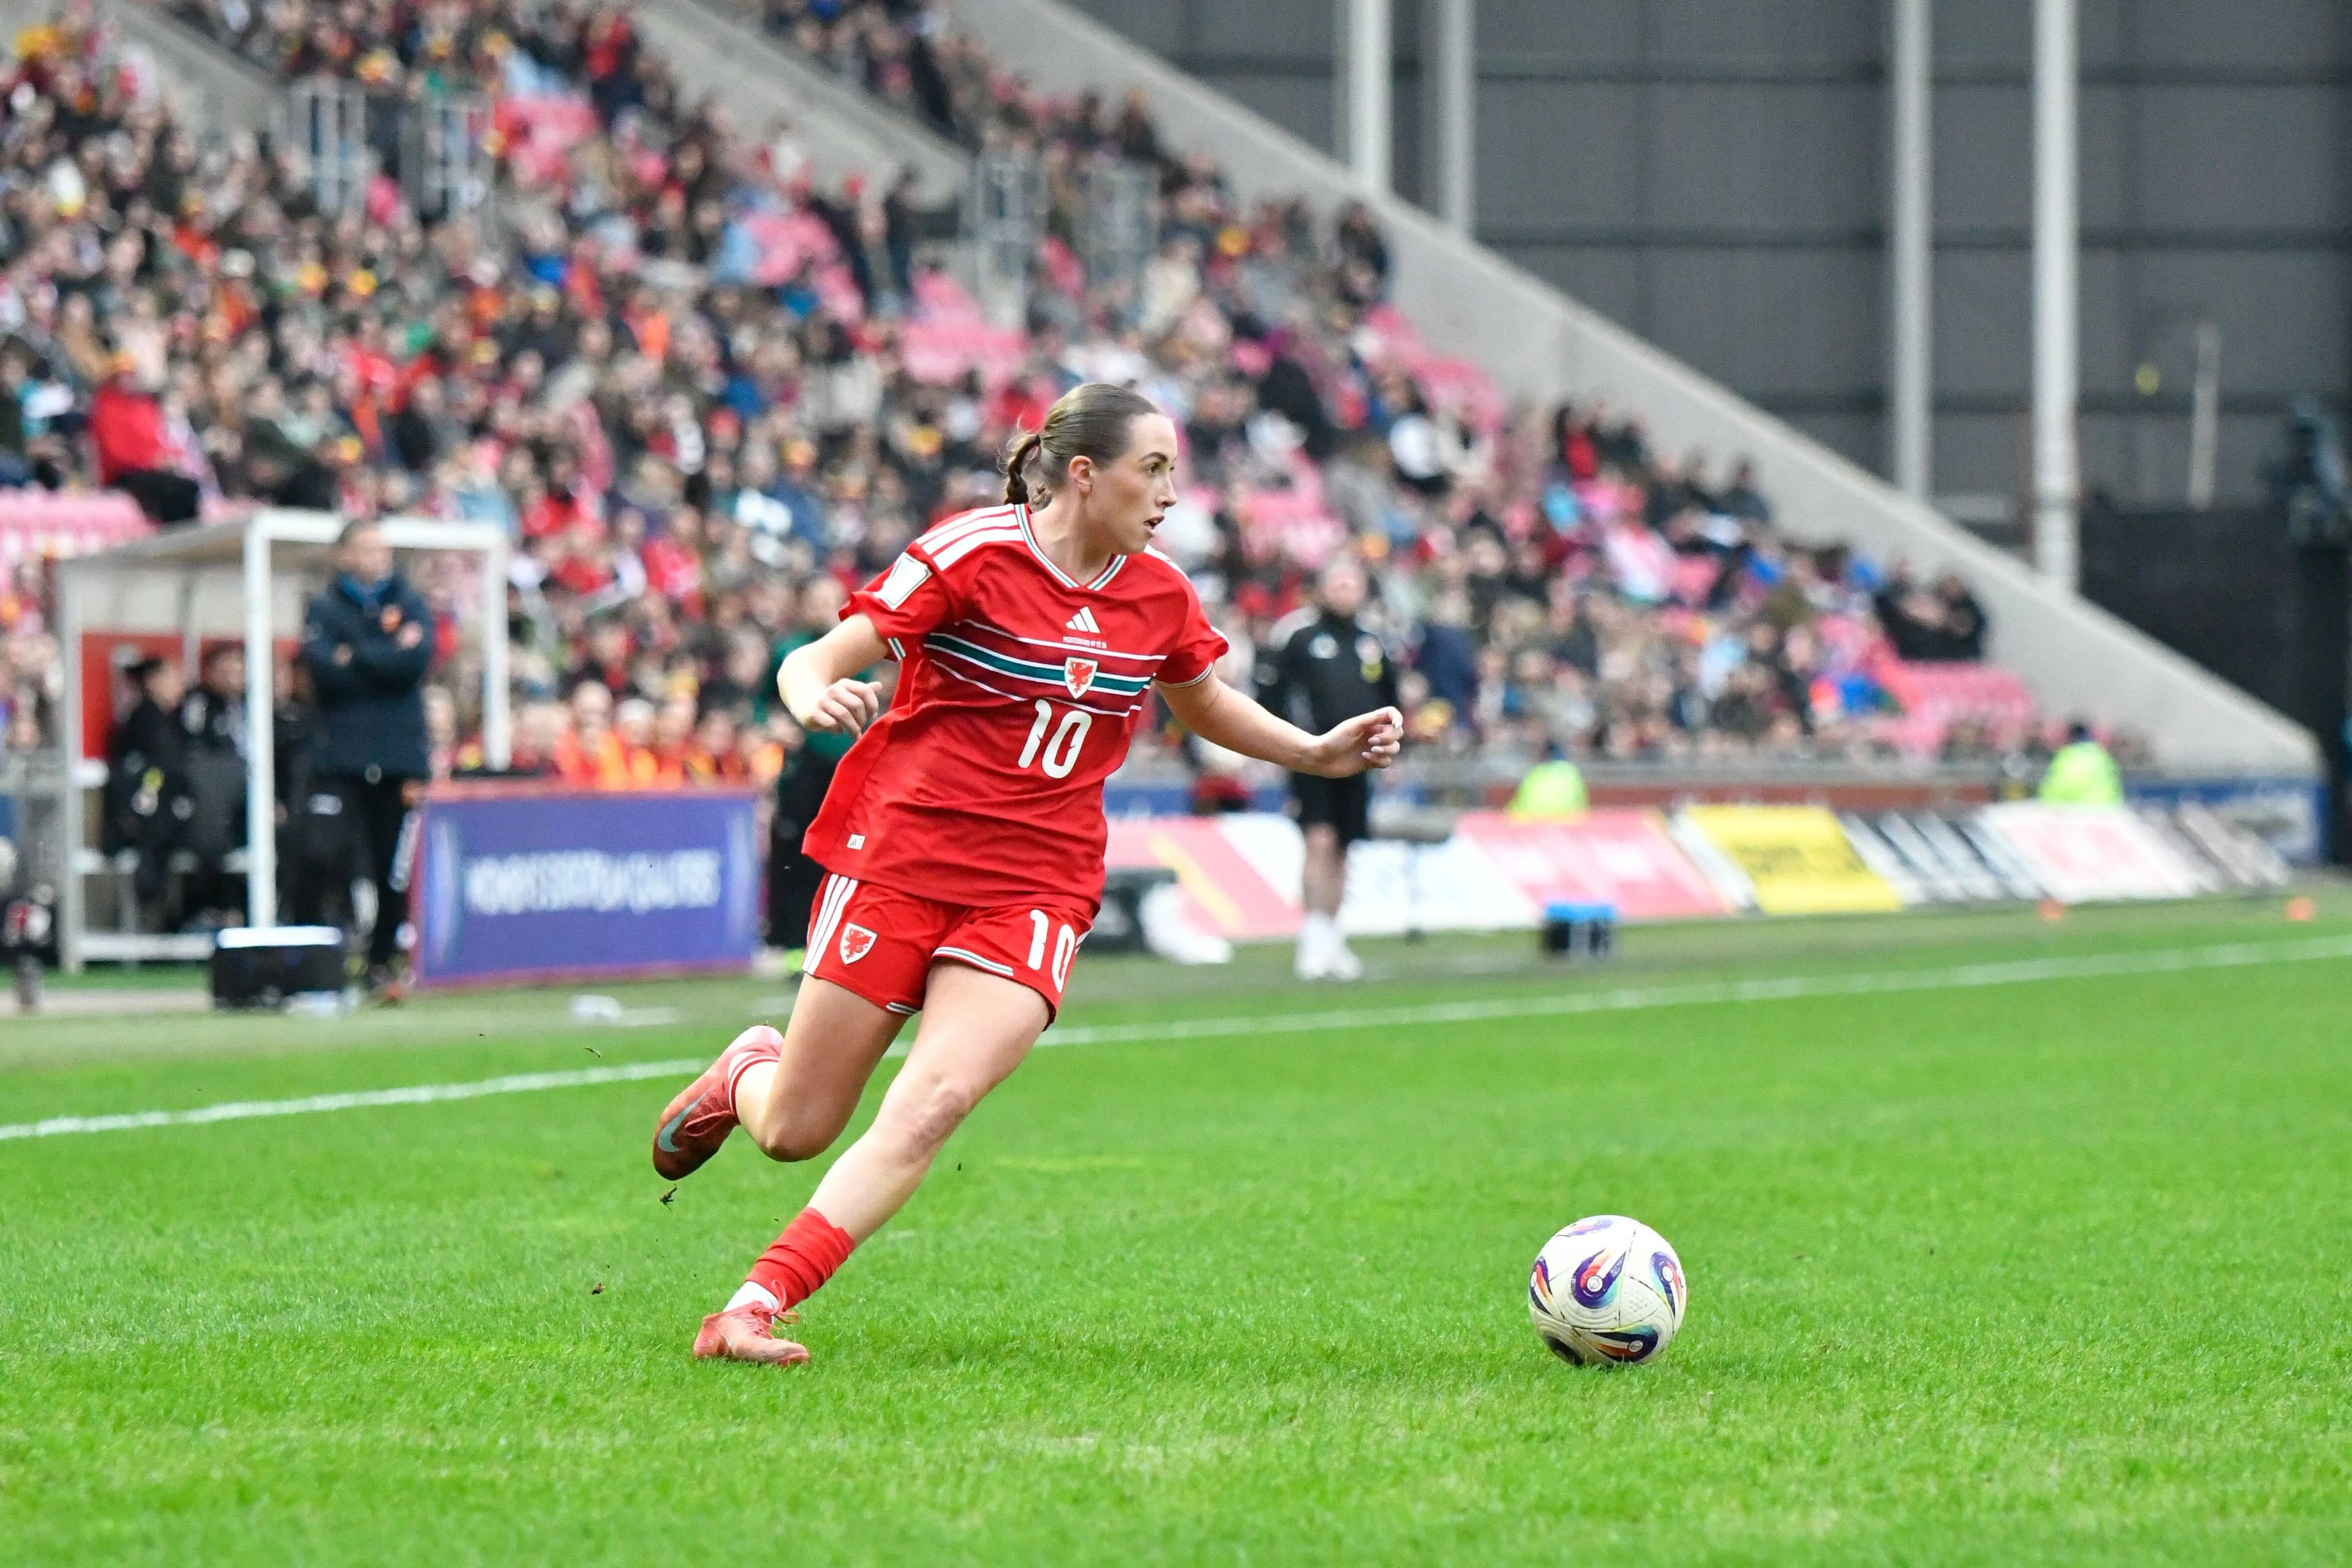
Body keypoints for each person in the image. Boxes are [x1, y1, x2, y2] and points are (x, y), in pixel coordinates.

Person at [649, 383, 1403, 1367]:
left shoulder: (1160, 591)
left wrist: (1312, 751)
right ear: (1084, 475)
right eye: (1155, 469)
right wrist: (810, 696)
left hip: (1038, 887)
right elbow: (819, 654)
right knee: (795, 1130)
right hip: (904, 860)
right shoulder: (974, 553)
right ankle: (750, 1068)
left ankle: (752, 1306)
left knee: (933, 1101)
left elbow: (1203, 698)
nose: (1173, 493)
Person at [300, 520, 433, 992]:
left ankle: (381, 963)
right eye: (367, 547)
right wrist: (385, 655)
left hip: (399, 759)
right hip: (341, 758)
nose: (378, 556)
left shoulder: (411, 602)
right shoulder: (324, 606)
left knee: (391, 869)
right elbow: (323, 670)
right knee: (323, 853)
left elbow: (415, 662)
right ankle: (319, 959)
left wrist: (354, 656)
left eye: (383, 548)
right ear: (344, 555)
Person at [1255, 556, 1400, 981]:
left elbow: (1390, 698)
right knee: (1318, 840)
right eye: (1337, 583)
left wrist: (1391, 748)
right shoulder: (1299, 637)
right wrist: (1282, 745)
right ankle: (1313, 938)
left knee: (1344, 847)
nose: (1344, 591)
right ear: (1322, 588)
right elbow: (1271, 694)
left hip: (1360, 763)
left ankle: (1333, 936)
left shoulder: (1372, 642)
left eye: (1351, 583)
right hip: (1312, 756)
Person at [2038, 721, 2124, 806]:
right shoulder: (2102, 755)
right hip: (2107, 809)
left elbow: (2059, 785)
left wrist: (2047, 803)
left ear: (2070, 736)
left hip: (2078, 812)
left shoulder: (2068, 756)